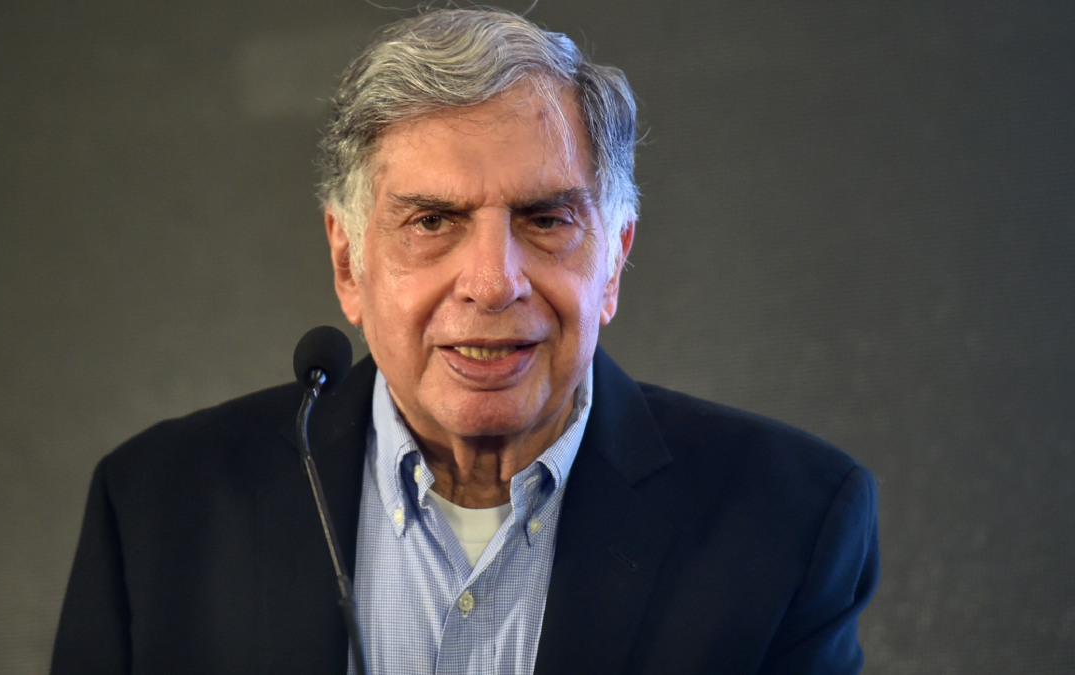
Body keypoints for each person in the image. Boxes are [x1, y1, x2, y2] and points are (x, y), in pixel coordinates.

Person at [52, 7, 879, 674]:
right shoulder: (156, 509)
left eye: (546, 219)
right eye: (432, 221)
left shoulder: (788, 522)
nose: (492, 281)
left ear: (614, 262)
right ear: (348, 263)